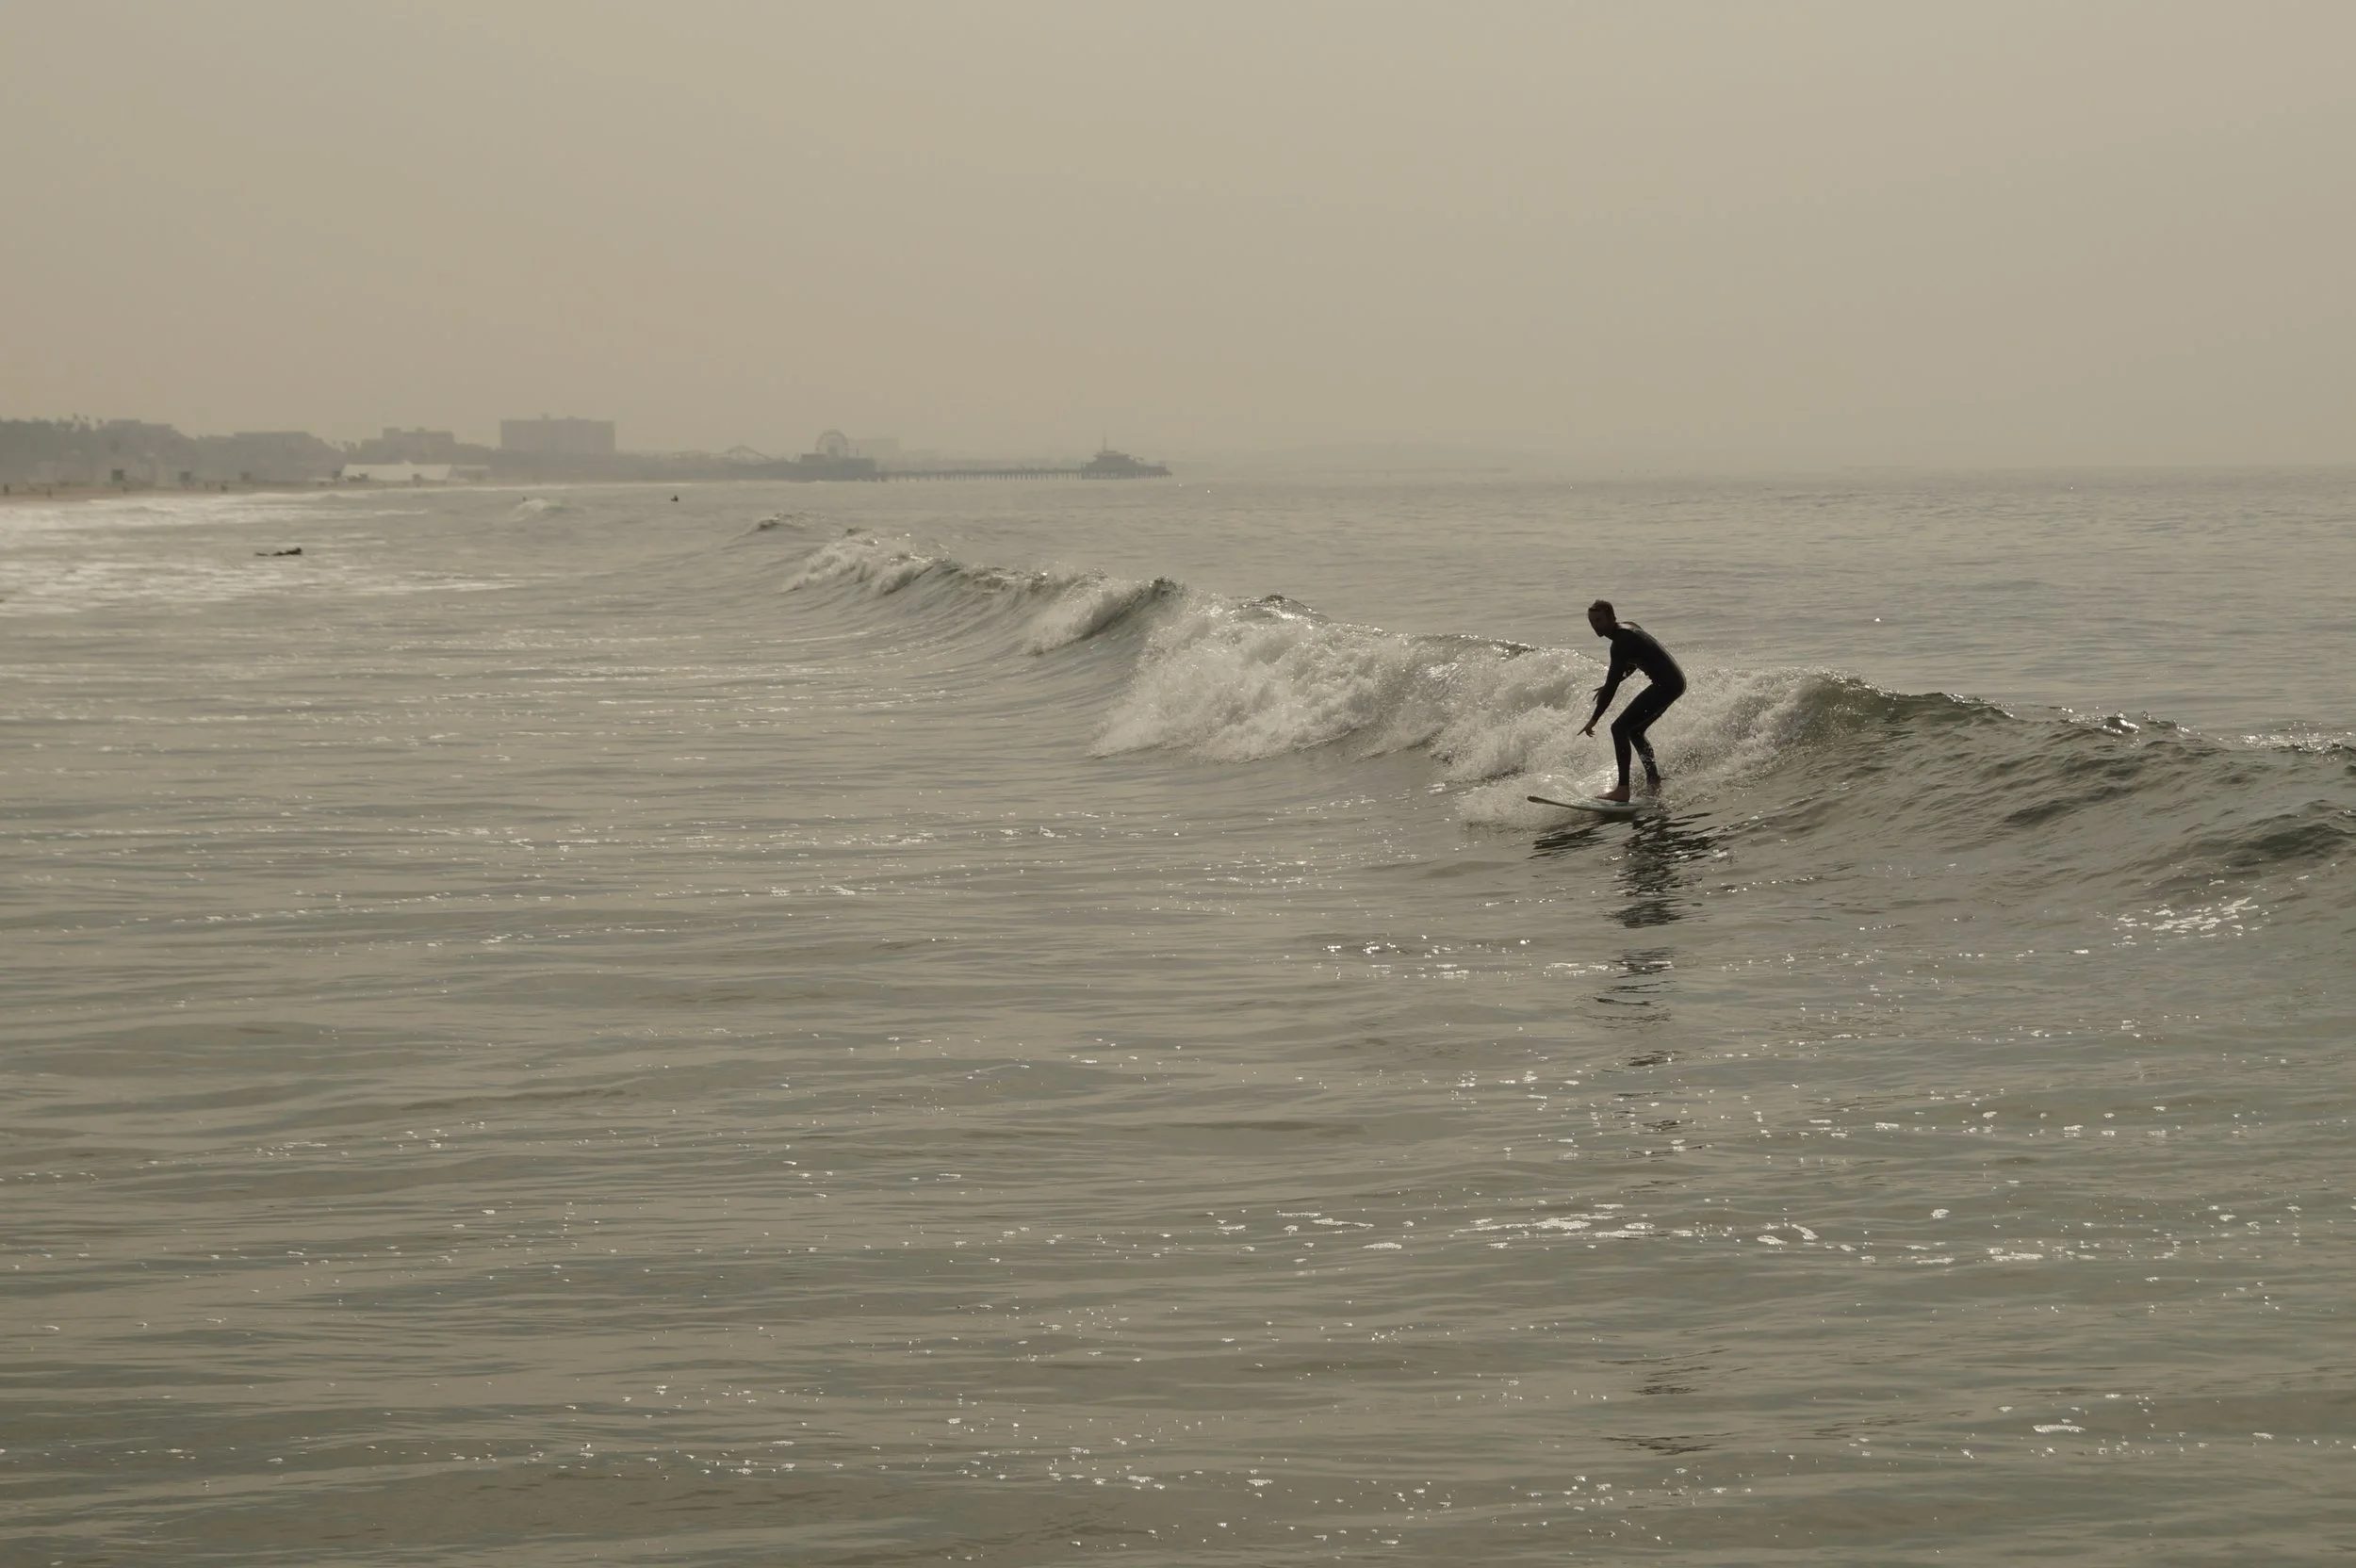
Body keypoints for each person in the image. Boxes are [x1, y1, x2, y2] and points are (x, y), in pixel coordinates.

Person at [1579, 599, 1685, 802]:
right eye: (1592, 622)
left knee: (1618, 728)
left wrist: (1594, 719)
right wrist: (1610, 684)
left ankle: (1622, 790)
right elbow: (1633, 663)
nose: (1595, 626)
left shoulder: (1620, 643)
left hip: (1666, 686)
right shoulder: (1629, 628)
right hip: (1674, 683)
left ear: (1612, 617)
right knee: (1634, 731)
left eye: (1599, 620)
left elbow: (1612, 685)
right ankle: (1653, 781)